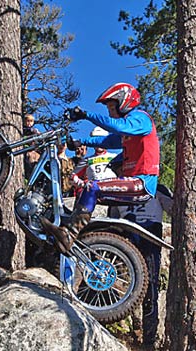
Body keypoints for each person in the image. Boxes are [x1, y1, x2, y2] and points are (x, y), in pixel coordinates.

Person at [41, 82, 160, 254]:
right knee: (84, 192)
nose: (110, 113)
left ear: (124, 102)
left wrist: (86, 115)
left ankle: (69, 235)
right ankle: (72, 234)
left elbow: (116, 127)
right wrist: (81, 142)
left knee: (92, 187)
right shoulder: (129, 130)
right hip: (132, 183)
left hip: (142, 183)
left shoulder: (141, 119)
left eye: (111, 107)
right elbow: (108, 141)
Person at [109, 184, 173, 348]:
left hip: (150, 240)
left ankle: (149, 340)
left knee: (151, 287)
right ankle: (118, 328)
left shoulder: (157, 188)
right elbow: (112, 221)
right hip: (127, 242)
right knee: (120, 283)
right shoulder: (119, 188)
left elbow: (175, 211)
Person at [23, 113, 41, 178]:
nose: (29, 123)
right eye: (28, 121)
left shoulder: (34, 130)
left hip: (33, 149)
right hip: (25, 149)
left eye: (31, 121)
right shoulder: (24, 129)